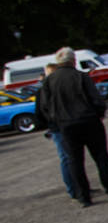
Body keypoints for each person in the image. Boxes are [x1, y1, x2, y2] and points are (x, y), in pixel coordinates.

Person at [35, 47, 108, 207]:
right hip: (89, 121)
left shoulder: (49, 81)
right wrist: (99, 112)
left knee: (75, 161)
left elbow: (44, 106)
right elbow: (95, 98)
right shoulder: (80, 76)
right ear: (73, 60)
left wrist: (55, 121)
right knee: (101, 157)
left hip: (66, 125)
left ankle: (83, 197)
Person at [40, 63, 77, 200]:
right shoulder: (46, 90)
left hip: (62, 126)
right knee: (67, 158)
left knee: (72, 157)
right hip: (59, 127)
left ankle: (78, 186)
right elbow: (41, 112)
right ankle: (73, 189)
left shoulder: (47, 89)